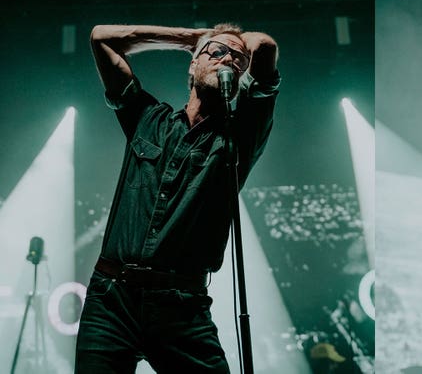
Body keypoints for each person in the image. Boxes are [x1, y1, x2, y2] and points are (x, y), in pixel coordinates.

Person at [74, 23, 280, 373]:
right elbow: (101, 38)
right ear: (192, 63)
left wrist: (223, 44)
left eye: (236, 57)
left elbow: (264, 45)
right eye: (216, 52)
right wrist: (189, 38)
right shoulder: (147, 118)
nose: (227, 58)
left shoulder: (243, 130)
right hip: (111, 299)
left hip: (181, 308)